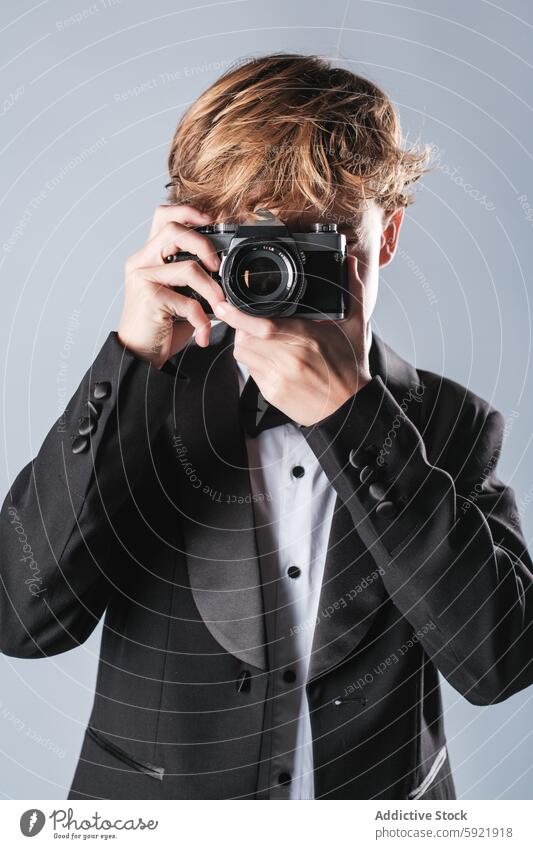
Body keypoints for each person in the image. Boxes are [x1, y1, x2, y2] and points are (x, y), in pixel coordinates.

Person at [1, 53, 532, 801]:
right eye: (257, 238)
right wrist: (129, 357)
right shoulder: (143, 396)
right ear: (198, 234)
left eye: (324, 238)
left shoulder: (450, 423)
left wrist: (353, 419)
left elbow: (500, 660)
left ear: (386, 237)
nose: (284, 268)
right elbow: (22, 621)